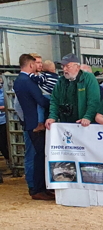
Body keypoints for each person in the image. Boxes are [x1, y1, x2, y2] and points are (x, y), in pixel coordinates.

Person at [13, 54, 53, 200]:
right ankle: (37, 188)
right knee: (38, 155)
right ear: (31, 65)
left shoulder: (19, 81)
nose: (38, 66)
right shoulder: (28, 81)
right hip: (35, 123)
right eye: (36, 64)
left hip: (30, 122)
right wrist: (54, 104)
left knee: (38, 155)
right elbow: (41, 100)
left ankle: (40, 187)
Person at [45, 54, 103, 129]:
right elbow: (54, 100)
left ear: (78, 67)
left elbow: (94, 100)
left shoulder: (88, 78)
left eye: (68, 66)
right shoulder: (61, 80)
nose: (64, 69)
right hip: (65, 122)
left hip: (84, 124)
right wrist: (52, 117)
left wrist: (88, 117)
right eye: (63, 66)